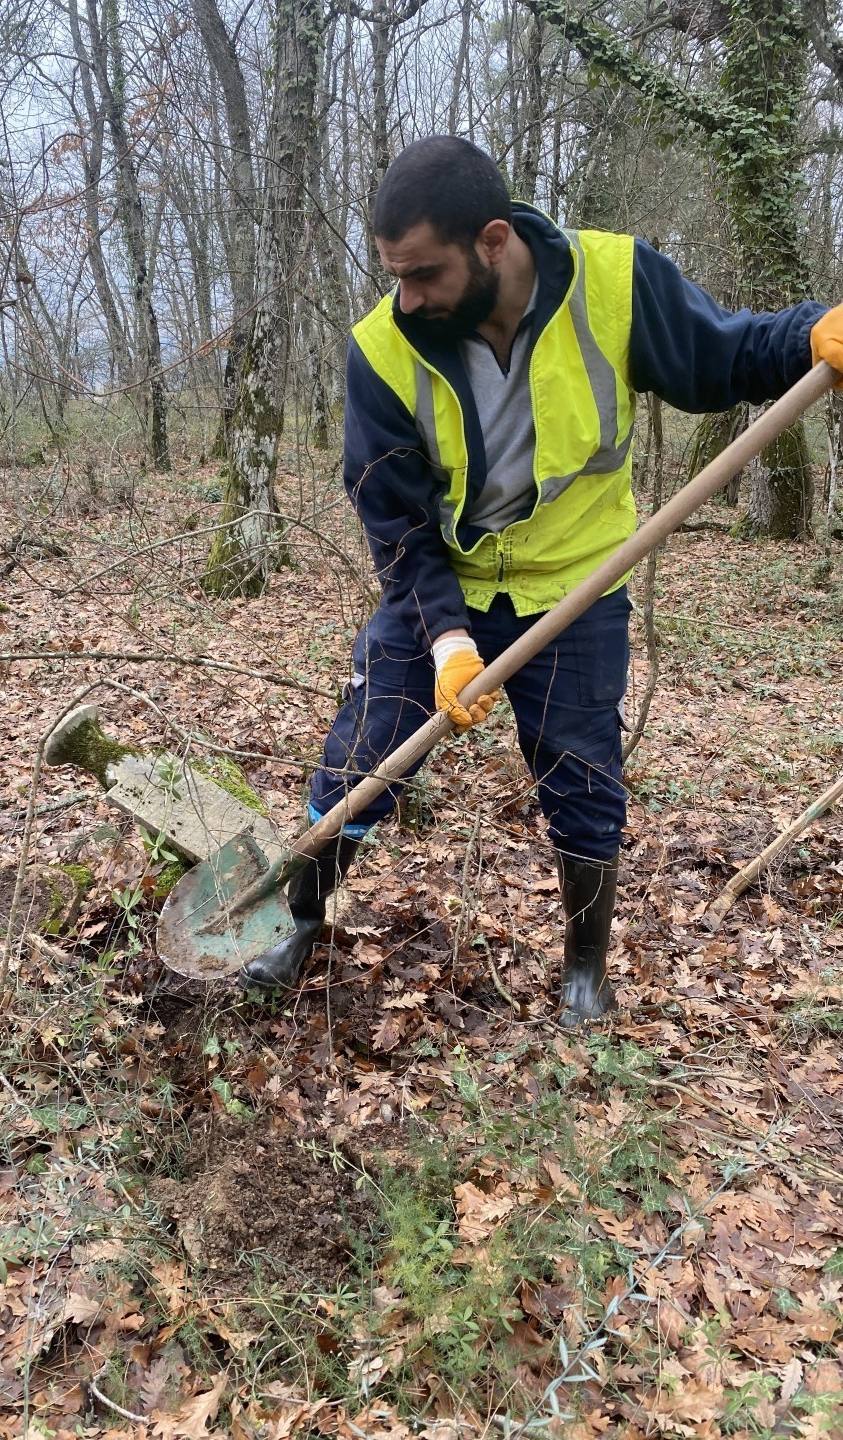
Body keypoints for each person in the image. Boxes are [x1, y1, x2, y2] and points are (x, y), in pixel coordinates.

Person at [241, 135, 843, 1025]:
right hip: (445, 584)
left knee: (581, 774)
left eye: (423, 274)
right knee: (365, 748)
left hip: (577, 586)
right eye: (393, 275)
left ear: (492, 241)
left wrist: (808, 336)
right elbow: (395, 522)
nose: (406, 297)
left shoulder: (616, 282)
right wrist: (447, 643)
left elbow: (722, 357)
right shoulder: (383, 349)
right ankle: (299, 916)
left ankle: (585, 971)